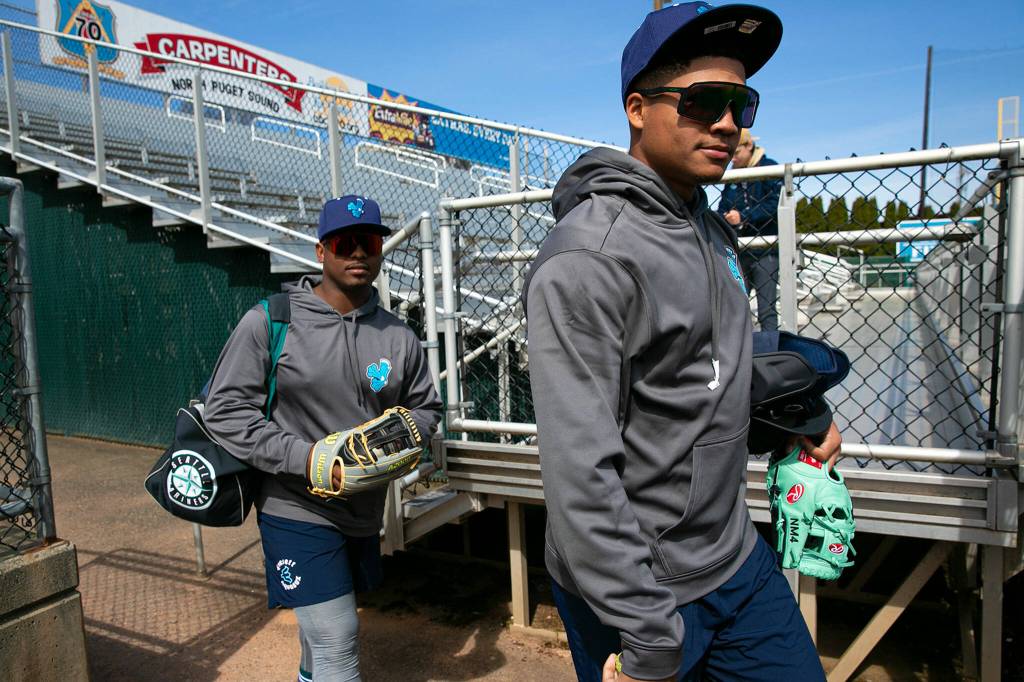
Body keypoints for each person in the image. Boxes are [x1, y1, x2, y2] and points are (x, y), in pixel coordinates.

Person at [523, 4, 841, 681]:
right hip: (638, 587)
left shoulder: (705, 224)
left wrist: (797, 420)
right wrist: (647, 634)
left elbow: (705, 368)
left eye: (741, 103)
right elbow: (580, 478)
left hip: (732, 556)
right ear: (638, 109)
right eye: (703, 102)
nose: (727, 123)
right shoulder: (590, 257)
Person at [203, 195, 442, 682]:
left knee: (320, 642)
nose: (358, 252)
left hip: (361, 509)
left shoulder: (398, 335)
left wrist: (393, 441)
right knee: (337, 637)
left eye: (369, 241)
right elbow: (225, 411)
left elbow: (428, 409)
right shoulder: (272, 320)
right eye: (344, 242)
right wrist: (307, 458)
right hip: (294, 504)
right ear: (321, 252)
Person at [718, 129, 783, 331]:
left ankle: (769, 355)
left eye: (735, 153)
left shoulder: (769, 168)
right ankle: (741, 354)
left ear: (749, 146)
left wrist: (744, 216)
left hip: (765, 249)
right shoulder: (734, 175)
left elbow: (775, 204)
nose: (732, 158)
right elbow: (723, 206)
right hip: (741, 250)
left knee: (766, 310)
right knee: (736, 308)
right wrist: (726, 216)